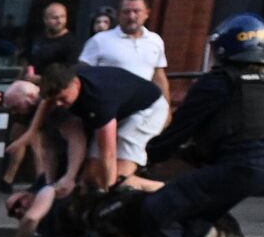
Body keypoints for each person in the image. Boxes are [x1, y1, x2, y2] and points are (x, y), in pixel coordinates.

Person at [129, 14, 264, 237]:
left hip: (238, 165)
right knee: (197, 212)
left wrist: (148, 157)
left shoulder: (218, 82)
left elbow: (182, 127)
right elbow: (242, 128)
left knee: (158, 207)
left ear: (226, 46)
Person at [28, 61, 166, 196]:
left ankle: (166, 191)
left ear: (75, 83)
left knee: (118, 178)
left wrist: (109, 189)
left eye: (62, 98)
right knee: (92, 175)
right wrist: (29, 133)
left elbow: (108, 153)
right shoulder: (65, 77)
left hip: (146, 111)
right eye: (54, 101)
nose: (58, 104)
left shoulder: (99, 101)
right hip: (120, 109)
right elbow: (45, 101)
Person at [79, 0, 171, 103]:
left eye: (136, 11)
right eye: (126, 12)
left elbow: (158, 76)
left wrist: (166, 107)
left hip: (144, 109)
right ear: (119, 15)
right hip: (108, 107)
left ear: (147, 13)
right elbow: (83, 72)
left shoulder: (155, 40)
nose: (131, 16)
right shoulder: (100, 40)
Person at [26, 1, 79, 72]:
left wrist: (39, 80)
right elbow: (28, 59)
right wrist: (29, 69)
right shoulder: (38, 37)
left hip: (53, 81)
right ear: (45, 20)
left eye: (63, 17)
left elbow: (68, 72)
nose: (60, 21)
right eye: (55, 18)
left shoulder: (71, 43)